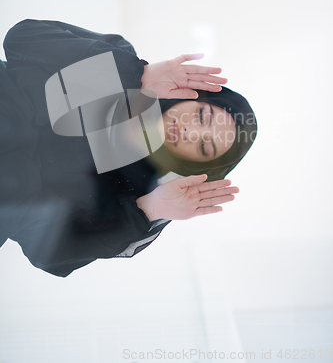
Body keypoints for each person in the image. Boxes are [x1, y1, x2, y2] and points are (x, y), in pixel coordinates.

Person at [0, 19, 257, 277]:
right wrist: (135, 77)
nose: (191, 132)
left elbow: (47, 253)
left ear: (197, 164)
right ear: (195, 94)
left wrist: (149, 210)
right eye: (203, 117)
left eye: (203, 146)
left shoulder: (137, 200)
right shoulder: (124, 64)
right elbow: (23, 38)